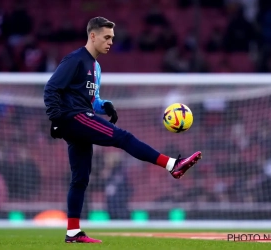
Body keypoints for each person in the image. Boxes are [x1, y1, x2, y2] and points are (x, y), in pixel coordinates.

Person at [43, 16, 202, 244]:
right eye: (107, 37)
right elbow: (51, 89)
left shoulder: (96, 67)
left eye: (113, 38)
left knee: (80, 179)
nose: (110, 42)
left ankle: (73, 232)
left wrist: (103, 105)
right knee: (123, 138)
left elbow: (91, 100)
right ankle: (172, 165)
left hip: (79, 115)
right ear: (93, 36)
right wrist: (56, 119)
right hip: (72, 117)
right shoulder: (75, 60)